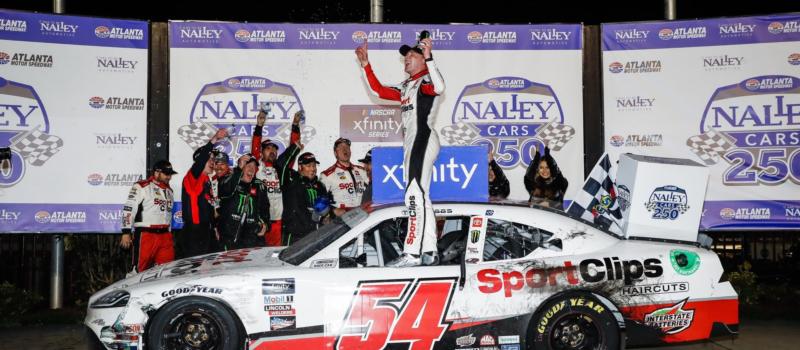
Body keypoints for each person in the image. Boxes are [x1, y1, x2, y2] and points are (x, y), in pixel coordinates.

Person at [355, 34, 445, 266]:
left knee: (414, 194)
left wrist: (430, 58)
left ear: (422, 59)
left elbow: (440, 86)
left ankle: (412, 253)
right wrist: (366, 65)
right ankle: (429, 250)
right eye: (405, 55)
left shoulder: (426, 80)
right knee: (422, 196)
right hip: (413, 140)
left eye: (412, 55)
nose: (406, 58)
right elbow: (378, 92)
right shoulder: (406, 86)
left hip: (422, 137)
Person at [251, 109, 302, 246]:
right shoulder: (257, 166)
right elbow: (254, 148)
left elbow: (293, 149)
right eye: (268, 148)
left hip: (279, 222)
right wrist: (259, 127)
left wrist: (295, 125)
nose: (272, 151)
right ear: (261, 152)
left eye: (274, 149)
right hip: (262, 221)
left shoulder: (282, 168)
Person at [178, 129, 228, 258]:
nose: (213, 162)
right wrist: (215, 139)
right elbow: (201, 160)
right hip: (194, 231)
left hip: (208, 230)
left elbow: (211, 207)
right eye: (210, 159)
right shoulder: (193, 177)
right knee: (195, 269)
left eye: (213, 159)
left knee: (213, 266)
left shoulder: (207, 180)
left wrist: (215, 227)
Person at [120, 160, 177, 272]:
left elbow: (168, 214)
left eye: (170, 174)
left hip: (165, 235)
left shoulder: (170, 191)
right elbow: (129, 208)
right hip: (146, 234)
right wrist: (126, 232)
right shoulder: (141, 186)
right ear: (156, 173)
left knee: (166, 270)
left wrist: (169, 232)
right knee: (138, 270)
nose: (169, 177)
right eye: (166, 173)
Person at [277, 141, 331, 245]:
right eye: (309, 165)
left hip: (315, 235)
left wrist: (327, 217)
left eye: (314, 165)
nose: (313, 169)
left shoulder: (320, 186)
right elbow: (280, 165)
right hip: (294, 236)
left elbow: (325, 211)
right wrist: (294, 148)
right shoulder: (290, 180)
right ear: (300, 167)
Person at [216, 154, 270, 250]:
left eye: (254, 167)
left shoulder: (259, 186)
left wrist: (265, 225)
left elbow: (265, 209)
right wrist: (238, 170)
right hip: (229, 239)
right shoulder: (228, 180)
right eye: (248, 166)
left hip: (251, 240)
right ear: (241, 167)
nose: (252, 169)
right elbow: (224, 190)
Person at [320, 138, 369, 215]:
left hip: (362, 213)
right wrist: (333, 210)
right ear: (335, 153)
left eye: (347, 147)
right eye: (341, 148)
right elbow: (320, 200)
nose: (345, 149)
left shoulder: (362, 171)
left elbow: (373, 190)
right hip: (342, 217)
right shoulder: (327, 175)